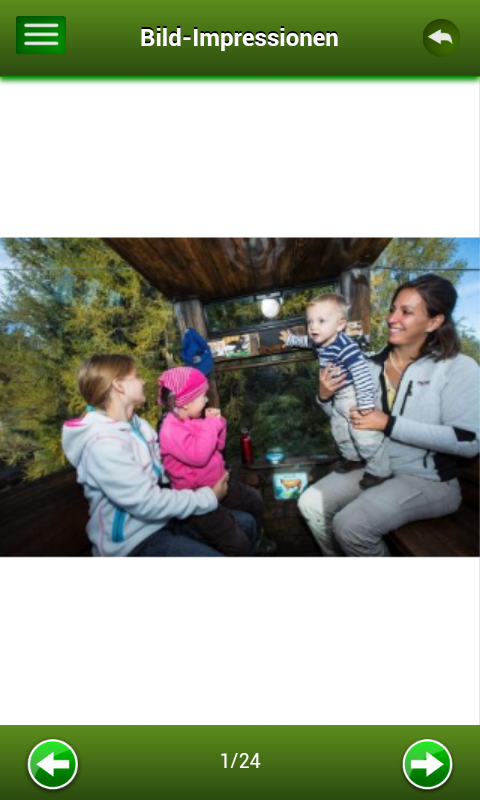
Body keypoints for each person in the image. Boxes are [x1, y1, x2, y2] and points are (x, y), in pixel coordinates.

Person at [297, 275, 480, 557]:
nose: (392, 318)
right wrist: (324, 396)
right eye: (393, 309)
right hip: (376, 465)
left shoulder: (457, 368)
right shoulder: (368, 365)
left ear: (433, 322)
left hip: (429, 481)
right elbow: (345, 416)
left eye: (406, 312)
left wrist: (388, 423)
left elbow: (468, 441)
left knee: (349, 527)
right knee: (309, 503)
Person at [62, 354, 231, 557]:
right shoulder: (103, 444)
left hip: (162, 523)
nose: (143, 381)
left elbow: (165, 469)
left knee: (243, 525)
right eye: (137, 376)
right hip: (132, 543)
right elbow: (147, 503)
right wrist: (208, 497)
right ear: (119, 385)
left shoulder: (139, 426)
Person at [280, 293, 391, 489]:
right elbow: (306, 341)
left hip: (353, 395)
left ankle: (380, 470)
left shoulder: (346, 346)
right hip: (338, 397)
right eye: (310, 321)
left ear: (340, 325)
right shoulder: (319, 341)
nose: (313, 327)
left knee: (364, 435)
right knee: (340, 430)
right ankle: (353, 458)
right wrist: (290, 339)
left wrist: (365, 404)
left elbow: (361, 373)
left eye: (321, 321)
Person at [158, 366, 264, 557]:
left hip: (217, 483)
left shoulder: (195, 419)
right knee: (237, 544)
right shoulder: (171, 430)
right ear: (186, 402)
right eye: (203, 396)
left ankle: (258, 541)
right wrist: (211, 424)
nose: (206, 400)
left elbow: (218, 446)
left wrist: (219, 425)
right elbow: (199, 457)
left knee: (254, 500)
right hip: (197, 497)